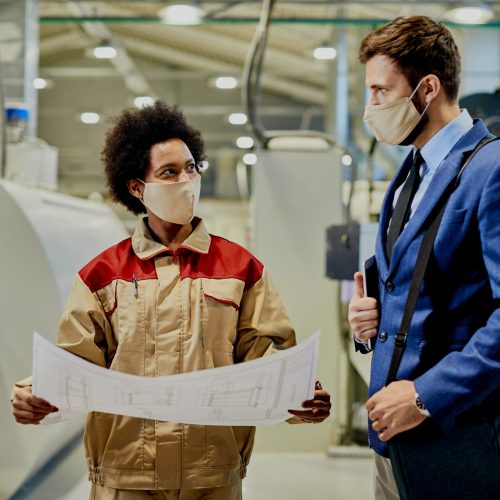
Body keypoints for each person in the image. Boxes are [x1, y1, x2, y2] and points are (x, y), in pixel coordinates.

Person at [11, 101, 331, 499]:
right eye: (170, 172)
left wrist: (299, 395)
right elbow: (75, 363)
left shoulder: (240, 267)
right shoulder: (102, 274)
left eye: (192, 167)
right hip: (126, 476)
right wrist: (34, 390)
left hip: (211, 476)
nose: (187, 179)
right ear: (137, 187)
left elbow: (268, 357)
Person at [348, 16, 500, 500]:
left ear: (428, 88)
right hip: (395, 439)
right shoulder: (412, 173)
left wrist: (424, 397)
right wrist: (371, 320)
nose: (371, 107)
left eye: (381, 91)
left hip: (458, 435)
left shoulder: (490, 171)